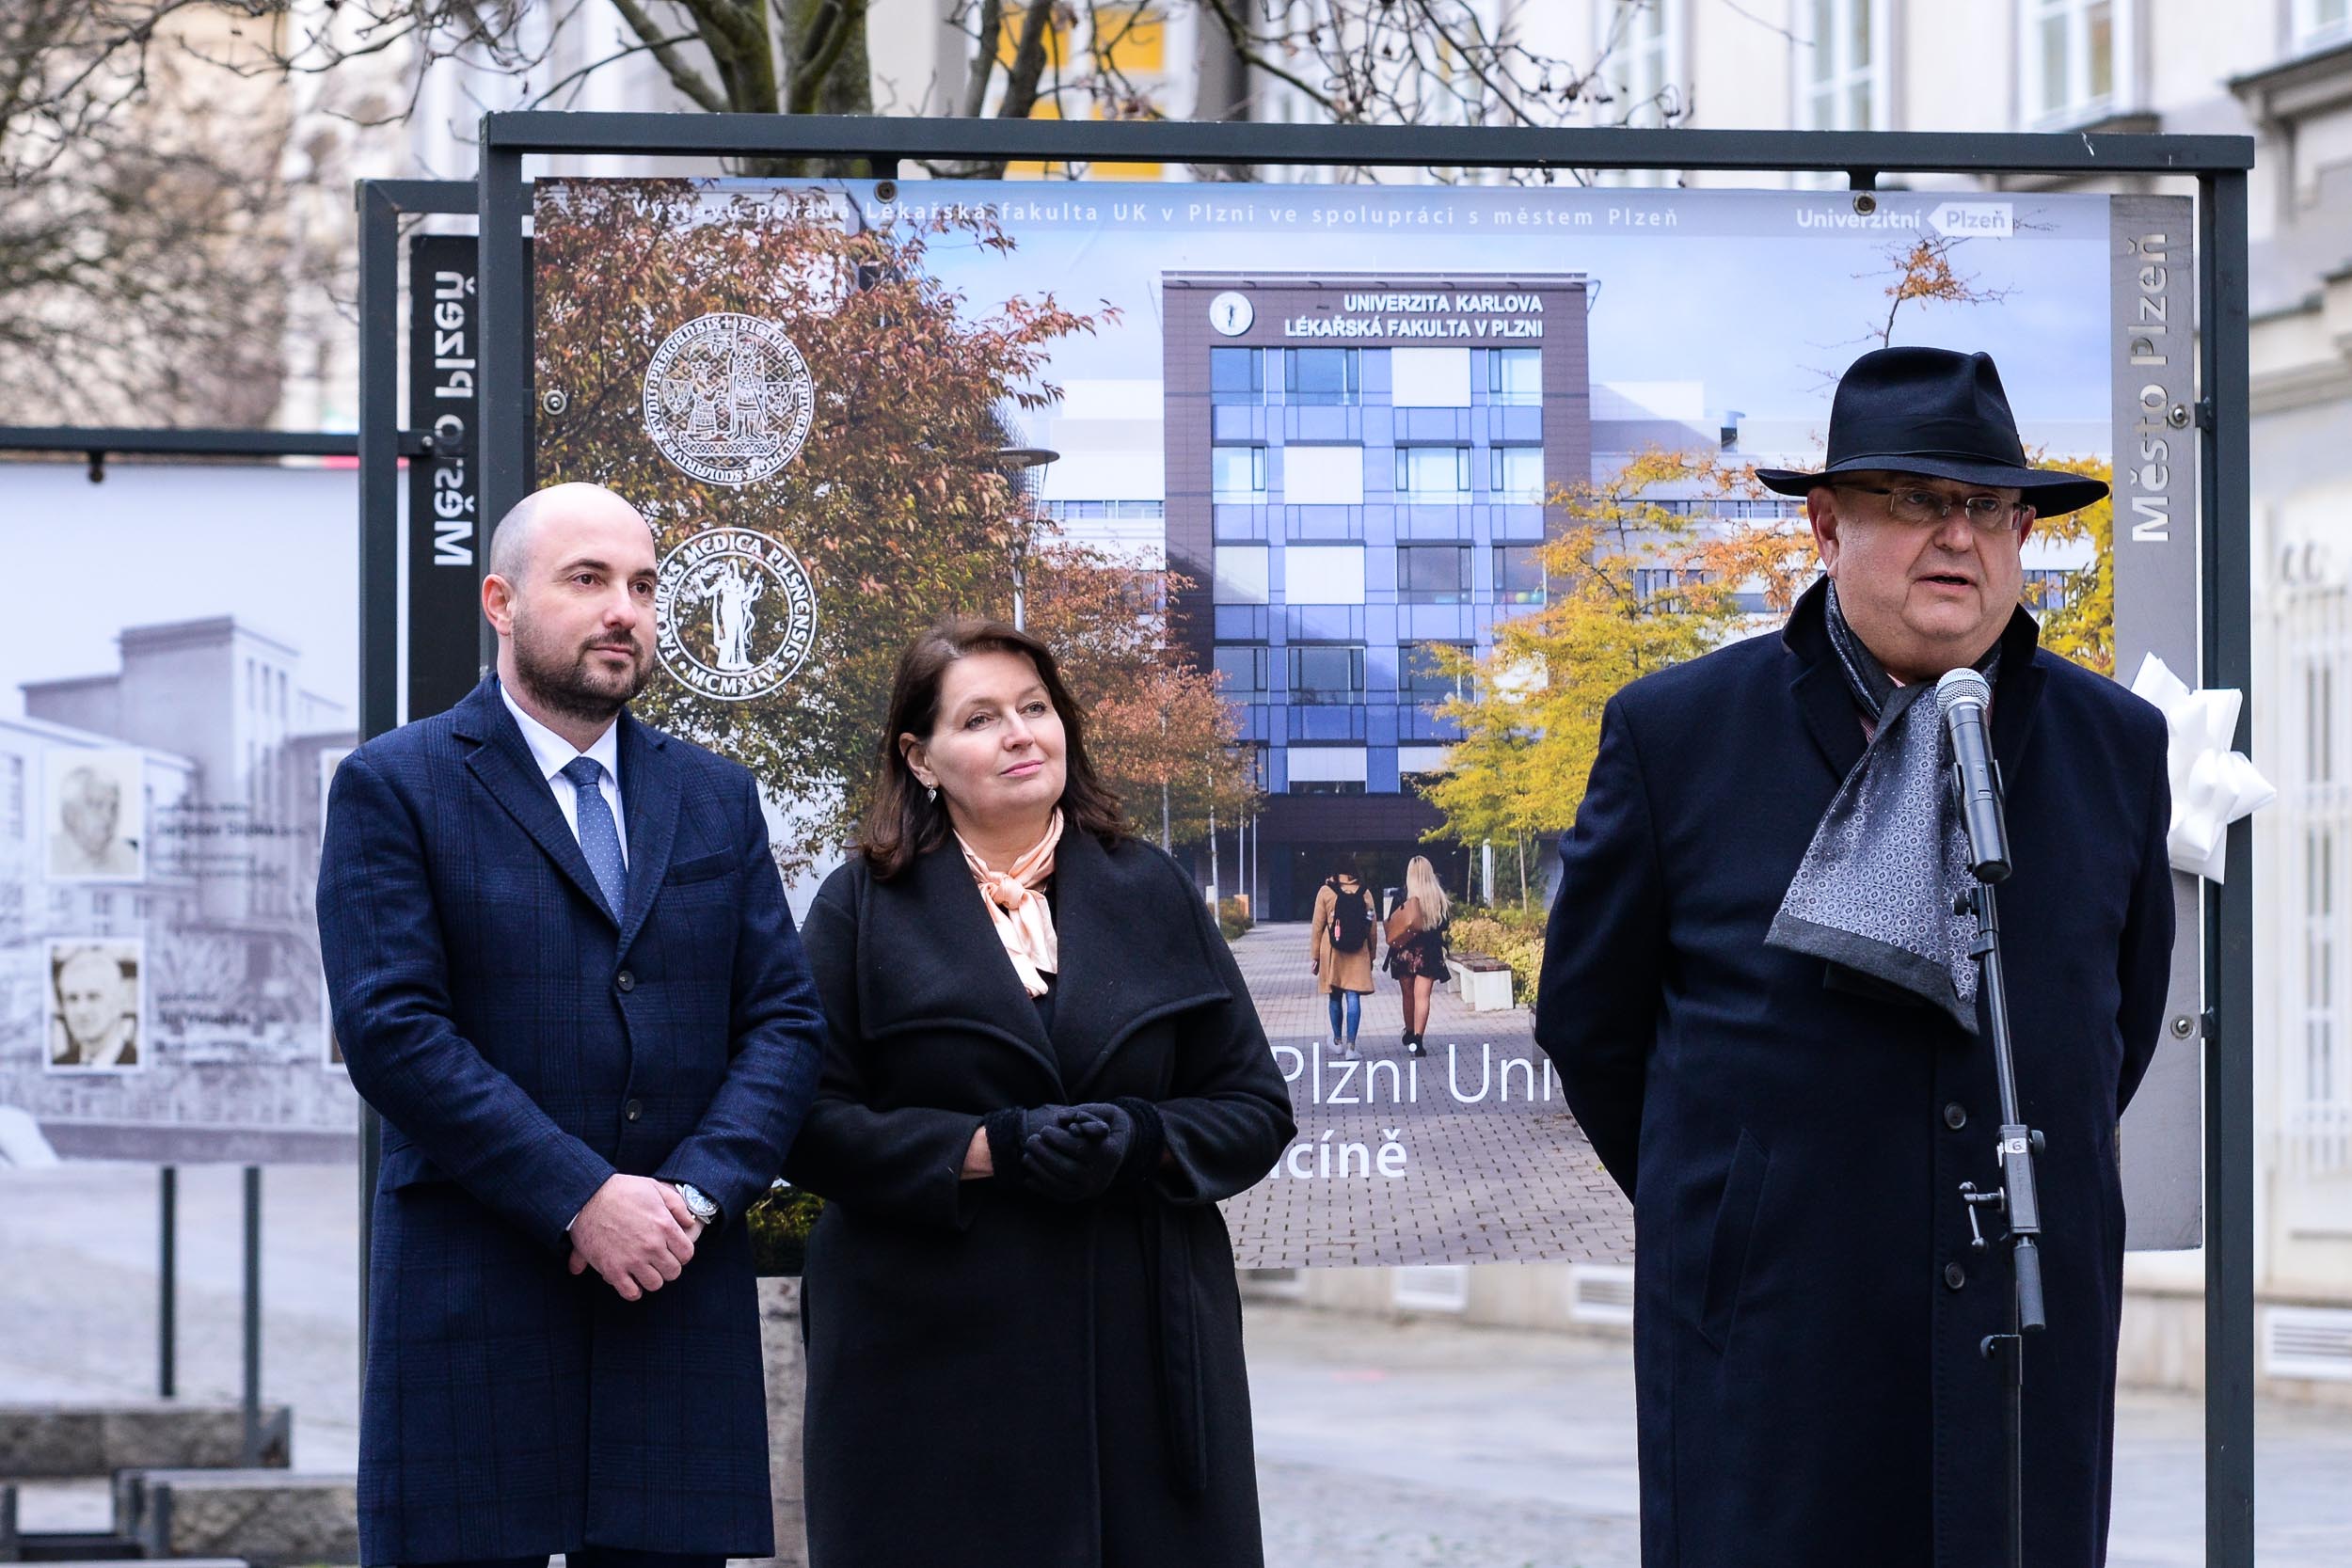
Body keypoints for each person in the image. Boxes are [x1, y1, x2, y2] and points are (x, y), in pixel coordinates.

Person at [1534, 346, 2175, 1568]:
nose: (1959, 537)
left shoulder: (2113, 745)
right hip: (1774, 1335)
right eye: (1915, 500)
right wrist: (1742, 1202)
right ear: (1825, 524)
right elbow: (1593, 1026)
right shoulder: (1680, 737)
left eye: (1989, 506)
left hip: (2018, 1332)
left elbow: (2113, 1027)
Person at [317, 482, 826, 1568]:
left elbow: (784, 1021)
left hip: (672, 1293)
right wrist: (582, 1198)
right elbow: (392, 1030)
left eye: (642, 585)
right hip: (476, 1304)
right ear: (500, 601)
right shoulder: (394, 786)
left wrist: (689, 1196)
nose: (625, 610)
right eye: (588, 579)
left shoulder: (714, 795)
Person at [785, 615, 1295, 1568]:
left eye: (1035, 707)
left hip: (1141, 1355)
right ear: (920, 755)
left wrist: (1138, 1137)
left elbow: (1254, 1107)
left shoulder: (1152, 886)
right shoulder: (859, 906)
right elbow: (805, 1124)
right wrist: (990, 1149)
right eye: (980, 718)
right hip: (927, 1358)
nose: (1021, 733)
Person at [1308, 854, 1378, 1060]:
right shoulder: (1365, 893)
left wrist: (1315, 956)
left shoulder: (1326, 891)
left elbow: (1317, 926)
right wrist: (1372, 954)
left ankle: (1337, 1040)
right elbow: (1372, 926)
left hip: (1333, 950)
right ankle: (1351, 1047)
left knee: (1335, 995)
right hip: (1358, 950)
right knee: (1353, 996)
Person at [1382, 855, 1452, 1059]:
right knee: (1423, 997)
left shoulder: (1403, 896)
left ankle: (1410, 1031)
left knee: (1408, 995)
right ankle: (1418, 1041)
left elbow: (1393, 922)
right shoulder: (1438, 896)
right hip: (1429, 952)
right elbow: (1445, 924)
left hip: (1405, 952)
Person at [49, 945, 137, 1069]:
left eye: (93, 997)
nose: (81, 1010)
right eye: (72, 998)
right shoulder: (58, 1065)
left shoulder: (138, 1063)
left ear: (118, 1003)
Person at [50, 764, 140, 879]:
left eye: (113, 807)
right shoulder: (46, 857)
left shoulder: (129, 857)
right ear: (70, 812)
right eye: (97, 805)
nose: (108, 817)